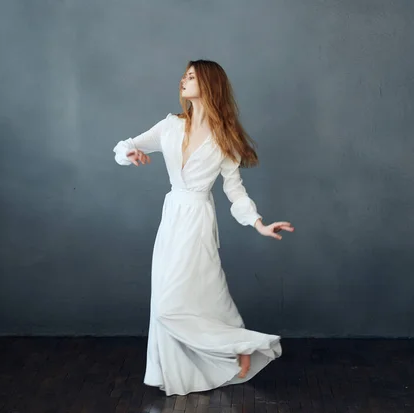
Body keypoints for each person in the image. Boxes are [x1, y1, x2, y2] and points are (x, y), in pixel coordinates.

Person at [112, 59, 294, 396]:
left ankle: (238, 345)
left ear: (209, 85)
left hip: (198, 218)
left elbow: (235, 191)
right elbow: (125, 146)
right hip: (172, 218)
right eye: (184, 75)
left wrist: (259, 224)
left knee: (179, 302)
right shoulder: (169, 125)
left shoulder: (224, 138)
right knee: (184, 299)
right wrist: (131, 153)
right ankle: (231, 349)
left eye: (192, 76)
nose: (183, 80)